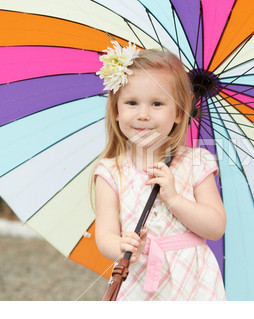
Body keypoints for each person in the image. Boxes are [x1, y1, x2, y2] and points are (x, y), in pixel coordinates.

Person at [92, 41, 226, 300]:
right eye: (131, 103)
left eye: (157, 104)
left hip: (194, 283)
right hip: (140, 280)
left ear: (179, 113)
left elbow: (215, 227)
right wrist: (121, 246)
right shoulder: (111, 170)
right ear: (116, 111)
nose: (143, 114)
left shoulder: (195, 162)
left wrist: (174, 198)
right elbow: (105, 233)